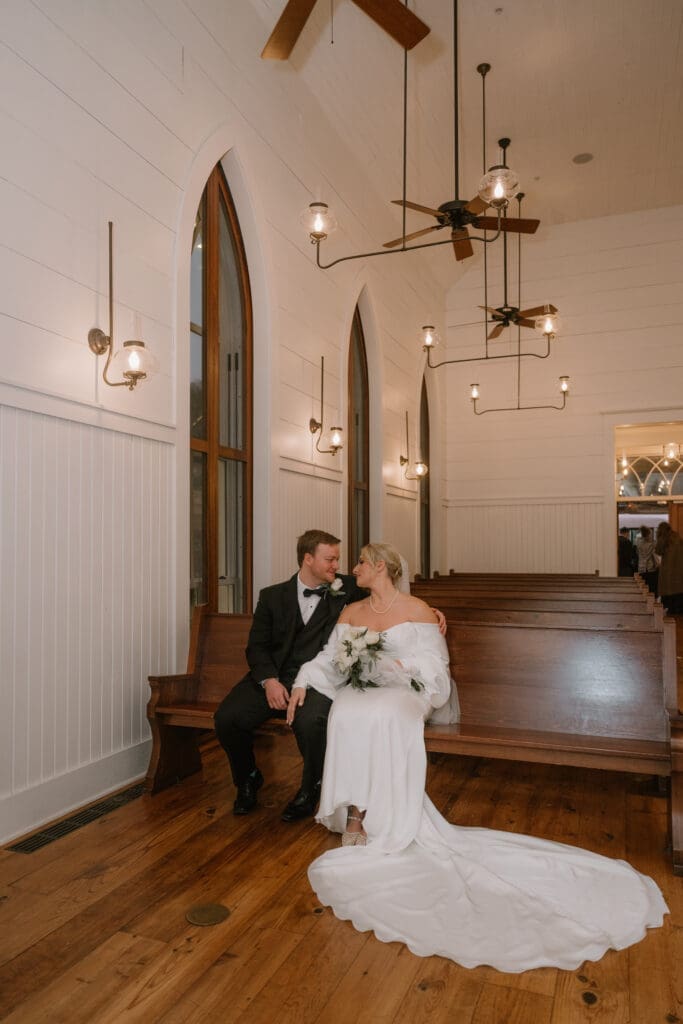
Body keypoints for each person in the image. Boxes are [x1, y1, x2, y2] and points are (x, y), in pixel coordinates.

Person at [287, 542, 668, 973]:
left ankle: (379, 814)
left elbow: (436, 670)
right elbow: (331, 660)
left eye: (360, 561)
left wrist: (399, 670)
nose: (353, 568)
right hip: (364, 691)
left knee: (382, 715)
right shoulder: (351, 612)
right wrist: (304, 680)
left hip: (404, 695)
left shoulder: (419, 609)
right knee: (347, 711)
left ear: (379, 567)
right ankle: (356, 811)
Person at [214, 530, 445, 822]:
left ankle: (311, 788)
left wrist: (431, 612)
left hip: (319, 678)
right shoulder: (271, 597)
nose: (339, 565)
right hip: (274, 678)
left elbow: (389, 600)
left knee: (311, 721)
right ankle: (247, 778)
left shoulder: (348, 587)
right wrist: (269, 681)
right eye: (330, 558)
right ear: (308, 559)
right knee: (227, 718)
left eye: (339, 558)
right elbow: (256, 647)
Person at [655, 521, 683, 615]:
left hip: (667, 571)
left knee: (668, 593)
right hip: (679, 571)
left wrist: (658, 538)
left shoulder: (663, 539)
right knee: (678, 591)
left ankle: (670, 614)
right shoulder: (677, 537)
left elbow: (658, 551)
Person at [635, 524, 658, 593]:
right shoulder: (653, 544)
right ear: (648, 534)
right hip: (650, 568)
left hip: (641, 568)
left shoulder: (638, 542)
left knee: (643, 588)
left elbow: (637, 553)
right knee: (651, 589)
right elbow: (655, 555)